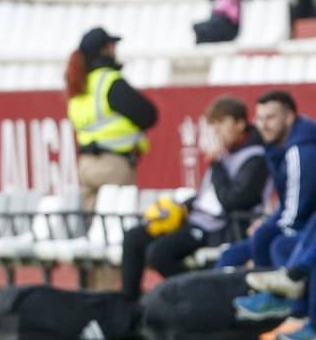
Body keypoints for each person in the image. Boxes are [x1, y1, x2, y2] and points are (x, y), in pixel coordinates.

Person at [120, 96, 270, 298]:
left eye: (222, 123)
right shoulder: (225, 153)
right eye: (213, 125)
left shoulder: (255, 157)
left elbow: (232, 201)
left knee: (159, 254)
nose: (216, 131)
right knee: (134, 238)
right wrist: (180, 208)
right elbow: (206, 197)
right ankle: (129, 308)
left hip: (219, 227)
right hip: (196, 219)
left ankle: (200, 296)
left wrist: (216, 163)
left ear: (240, 123)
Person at [223, 91, 316, 317]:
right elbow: (287, 204)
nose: (263, 125)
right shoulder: (277, 148)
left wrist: (271, 226)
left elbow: (299, 210)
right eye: (260, 118)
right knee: (233, 254)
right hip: (307, 224)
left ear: (289, 118)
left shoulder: (300, 151)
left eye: (270, 118)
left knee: (275, 242)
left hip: (305, 226)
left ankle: (291, 310)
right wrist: (269, 221)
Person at [65, 27, 158, 215]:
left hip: (86, 165)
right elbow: (149, 114)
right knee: (119, 226)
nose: (115, 50)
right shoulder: (109, 81)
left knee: (95, 232)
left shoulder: (79, 83)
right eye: (112, 46)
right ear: (104, 50)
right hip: (113, 165)